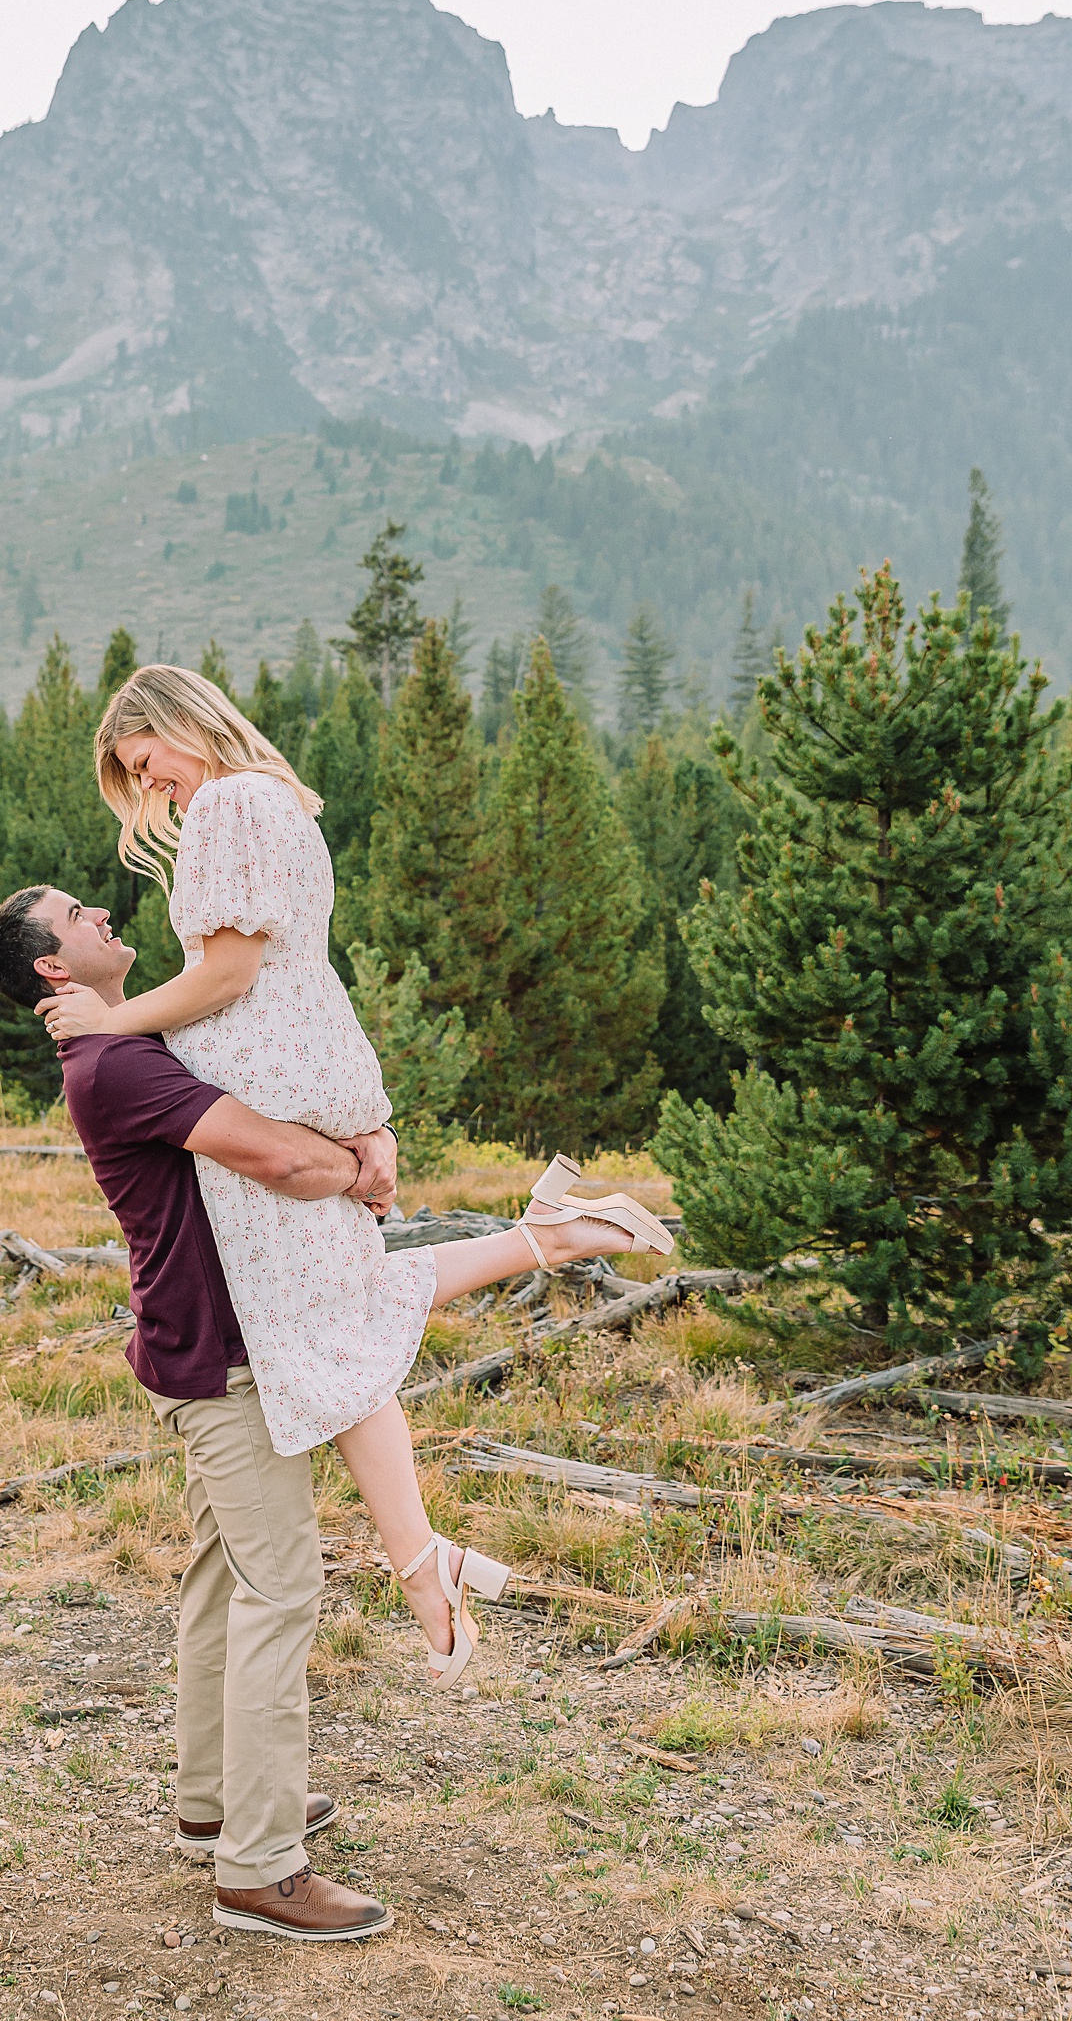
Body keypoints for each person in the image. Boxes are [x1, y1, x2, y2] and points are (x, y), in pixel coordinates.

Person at [37, 664, 676, 1689]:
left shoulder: (229, 804)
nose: (153, 791)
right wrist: (361, 1111)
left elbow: (230, 976)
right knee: (346, 1307)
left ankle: (423, 1564)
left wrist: (112, 1018)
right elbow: (292, 972)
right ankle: (548, 1241)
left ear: (177, 727)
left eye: (146, 763)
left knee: (324, 1332)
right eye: (137, 780)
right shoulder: (276, 801)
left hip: (267, 1083)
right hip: (309, 1064)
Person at [0, 883, 396, 1943]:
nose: (106, 917)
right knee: (279, 1590)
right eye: (80, 917)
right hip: (218, 1361)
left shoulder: (124, 1040)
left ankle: (214, 1803)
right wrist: (362, 1166)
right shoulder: (117, 1061)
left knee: (225, 1579)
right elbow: (276, 1156)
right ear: (51, 971)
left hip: (188, 1346)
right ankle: (259, 1869)